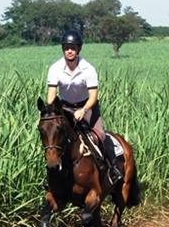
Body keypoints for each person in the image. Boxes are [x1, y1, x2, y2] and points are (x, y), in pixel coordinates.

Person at [46, 29, 123, 185]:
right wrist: (52, 111)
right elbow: (51, 95)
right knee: (54, 138)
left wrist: (83, 110)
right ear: (63, 49)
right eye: (67, 48)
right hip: (65, 107)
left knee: (99, 135)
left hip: (87, 106)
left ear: (78, 49)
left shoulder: (88, 69)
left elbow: (93, 96)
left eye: (73, 48)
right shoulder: (55, 68)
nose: (69, 51)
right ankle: (51, 176)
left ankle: (112, 168)